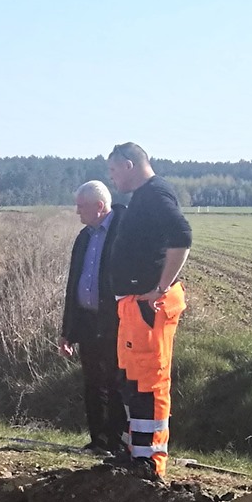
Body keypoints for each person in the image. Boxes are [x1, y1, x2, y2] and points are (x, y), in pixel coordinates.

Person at [101, 142, 193, 480]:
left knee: (149, 382)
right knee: (131, 381)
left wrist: (162, 287)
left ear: (128, 165)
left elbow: (182, 237)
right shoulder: (142, 196)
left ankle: (150, 461)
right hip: (133, 306)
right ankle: (134, 452)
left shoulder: (155, 194)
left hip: (148, 306)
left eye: (113, 172)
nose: (112, 180)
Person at [57, 180, 126, 455]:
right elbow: (73, 284)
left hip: (116, 322)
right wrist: (67, 332)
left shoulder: (123, 231)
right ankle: (97, 441)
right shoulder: (84, 237)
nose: (77, 212)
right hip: (86, 321)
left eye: (81, 206)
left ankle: (116, 443)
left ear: (99, 206)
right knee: (92, 383)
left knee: (115, 383)